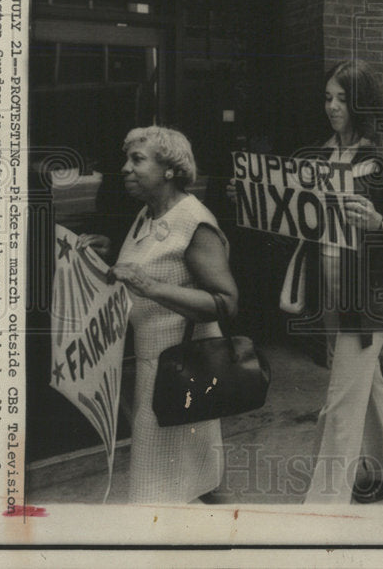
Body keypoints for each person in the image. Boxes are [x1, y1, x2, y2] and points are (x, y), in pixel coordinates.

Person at [78, 126, 239, 503]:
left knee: (154, 485)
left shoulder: (193, 222)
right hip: (158, 368)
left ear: (170, 169)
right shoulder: (147, 215)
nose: (125, 168)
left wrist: (149, 287)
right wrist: (111, 254)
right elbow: (155, 265)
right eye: (127, 159)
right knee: (202, 477)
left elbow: (225, 302)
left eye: (137, 159)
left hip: (183, 370)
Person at [299, 59, 383, 504]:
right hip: (331, 291)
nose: (332, 107)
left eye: (343, 99)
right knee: (364, 383)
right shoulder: (320, 154)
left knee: (340, 400)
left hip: (368, 297)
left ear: (361, 103)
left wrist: (379, 221)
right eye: (328, 97)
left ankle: (323, 504)